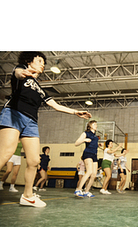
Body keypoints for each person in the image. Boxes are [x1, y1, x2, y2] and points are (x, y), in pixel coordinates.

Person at [0, 51, 91, 207]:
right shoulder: (22, 70)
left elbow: (55, 105)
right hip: (14, 113)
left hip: (31, 122)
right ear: (29, 62)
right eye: (39, 60)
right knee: (6, 152)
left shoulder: (40, 88)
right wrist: (22, 72)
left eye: (44, 62)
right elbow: (17, 72)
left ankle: (27, 196)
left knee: (34, 160)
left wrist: (76, 112)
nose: (43, 64)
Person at [74, 120, 99, 198]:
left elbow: (93, 144)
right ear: (90, 125)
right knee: (89, 172)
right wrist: (84, 140)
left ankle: (86, 191)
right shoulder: (86, 133)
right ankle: (78, 189)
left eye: (96, 124)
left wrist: (98, 145)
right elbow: (76, 143)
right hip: (87, 154)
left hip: (94, 155)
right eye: (94, 124)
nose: (96, 125)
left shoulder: (95, 136)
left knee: (94, 174)